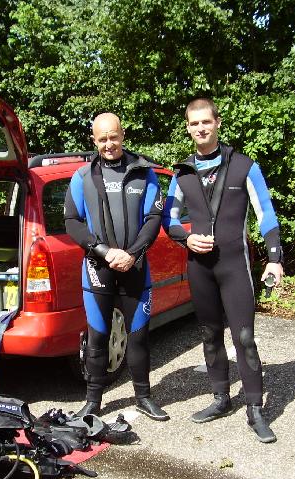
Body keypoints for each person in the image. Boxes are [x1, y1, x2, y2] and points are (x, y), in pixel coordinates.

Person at [162, 98, 284, 443]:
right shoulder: (182, 172)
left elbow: (267, 216)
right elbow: (169, 219)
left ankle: (255, 409)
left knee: (244, 337)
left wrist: (275, 257)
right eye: (193, 124)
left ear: (217, 122)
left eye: (206, 122)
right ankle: (220, 398)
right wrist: (186, 240)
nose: (200, 128)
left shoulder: (244, 166)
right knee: (209, 334)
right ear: (187, 128)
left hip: (234, 265)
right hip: (200, 267)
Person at [64, 112, 169, 421]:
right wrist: (104, 251)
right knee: (98, 336)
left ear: (123, 135)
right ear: (94, 141)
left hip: (136, 267)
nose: (109, 144)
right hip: (99, 267)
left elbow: (153, 219)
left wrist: (132, 254)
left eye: (114, 137)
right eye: (102, 139)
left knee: (138, 337)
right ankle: (93, 403)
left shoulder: (144, 173)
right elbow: (71, 221)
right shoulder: (83, 177)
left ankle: (144, 397)